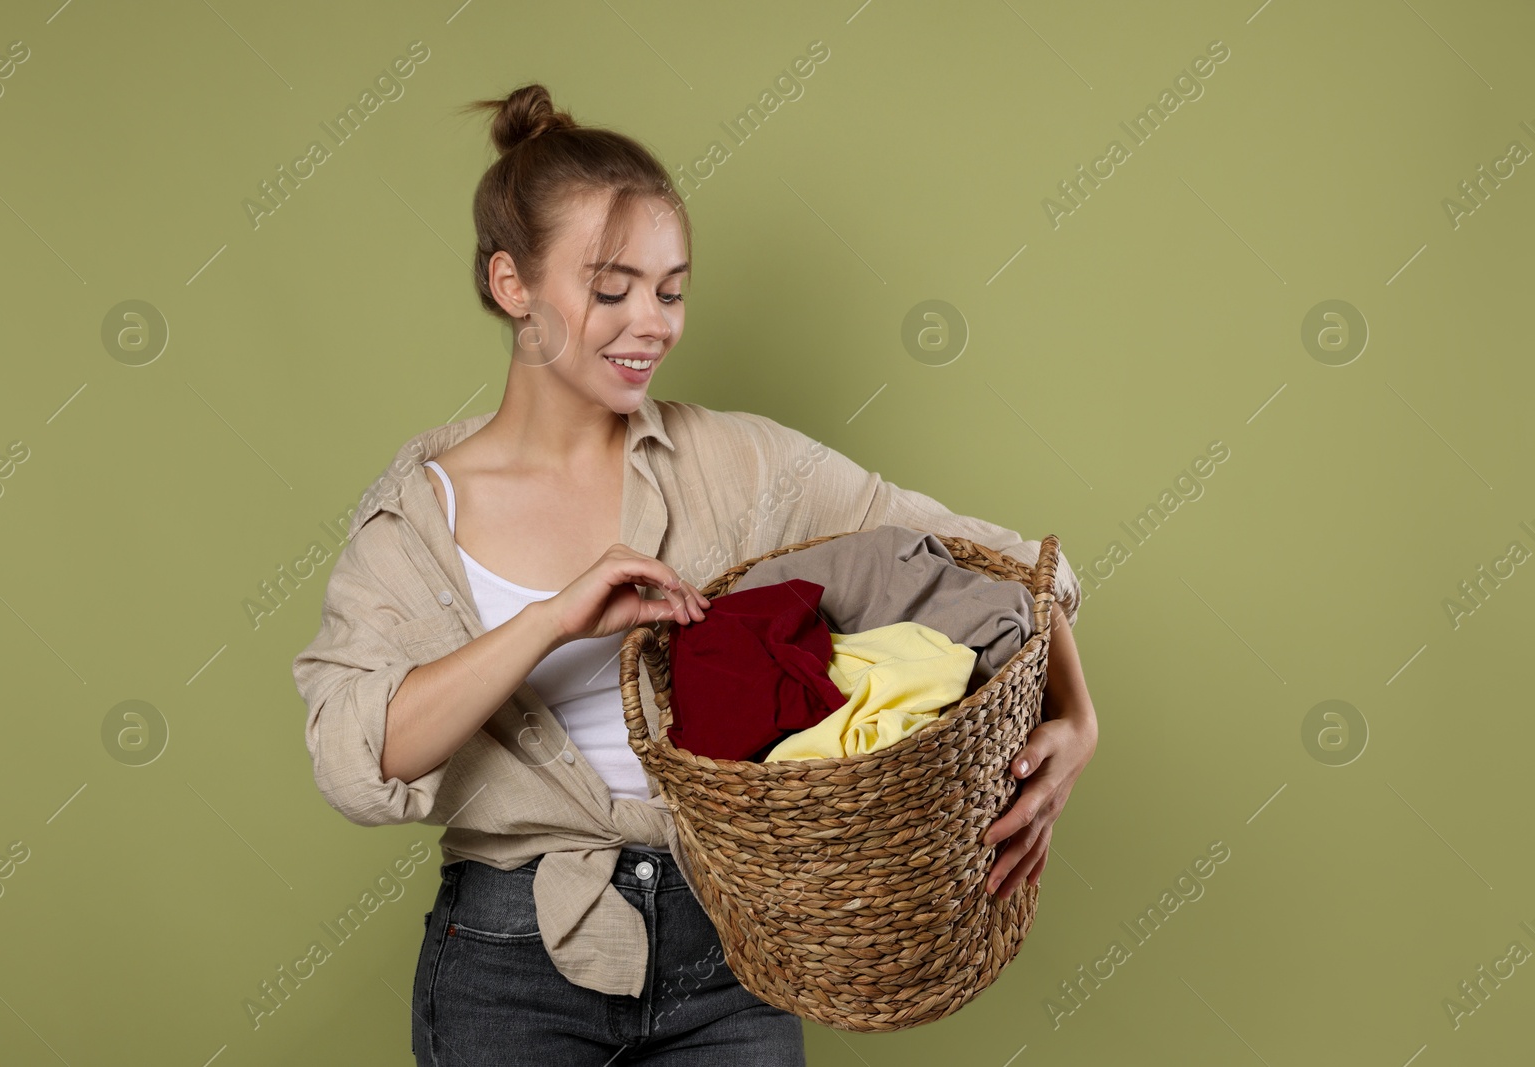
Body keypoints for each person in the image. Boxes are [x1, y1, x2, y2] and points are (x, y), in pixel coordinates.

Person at [291, 82, 1098, 1067]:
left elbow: (998, 560)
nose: (652, 322)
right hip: (509, 968)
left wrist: (1075, 715)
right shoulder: (418, 514)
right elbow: (354, 756)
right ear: (513, 285)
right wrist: (549, 620)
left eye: (671, 290)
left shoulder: (740, 462)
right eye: (611, 286)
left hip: (733, 953)